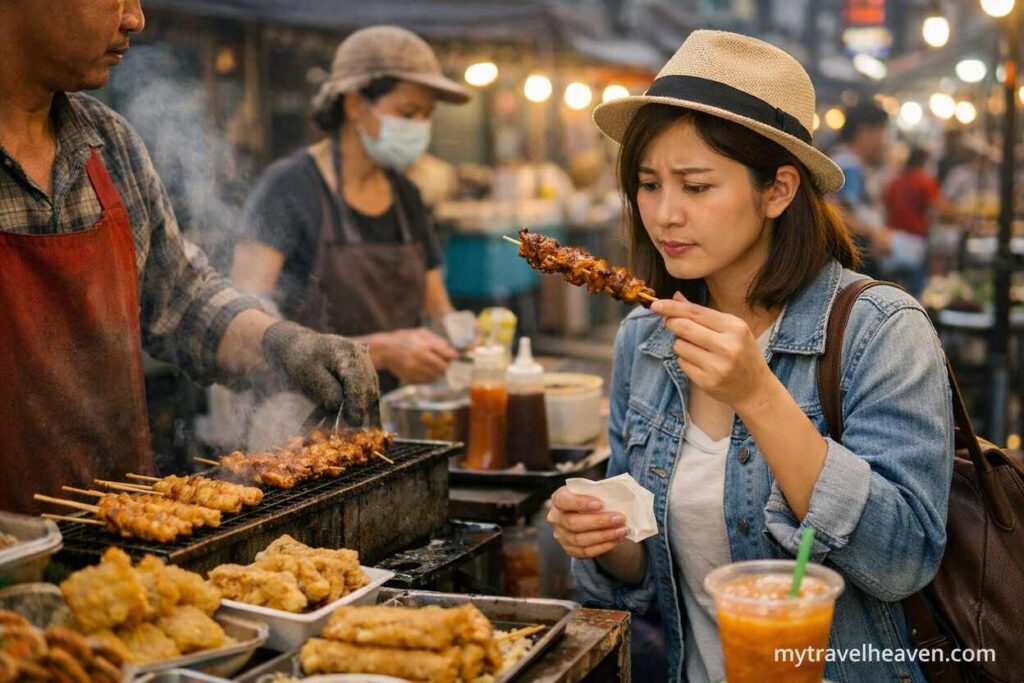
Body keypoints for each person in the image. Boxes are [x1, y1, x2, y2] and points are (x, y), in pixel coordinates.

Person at [546, 31, 953, 682]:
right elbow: (643, 581)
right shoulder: (642, 341)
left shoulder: (880, 331)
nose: (664, 214)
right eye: (649, 184)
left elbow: (902, 558)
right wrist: (605, 539)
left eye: (697, 186)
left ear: (779, 190)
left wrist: (759, 394)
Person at [0, 0, 377, 513]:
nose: (135, 19)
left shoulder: (109, 144)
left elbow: (182, 297)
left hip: (120, 531)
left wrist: (283, 344)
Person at [231, 26, 467, 399]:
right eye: (408, 112)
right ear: (355, 105)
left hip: (393, 414)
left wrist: (472, 339)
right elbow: (243, 332)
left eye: (427, 115)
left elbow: (441, 311)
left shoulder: (406, 196)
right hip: (304, 418)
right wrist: (382, 352)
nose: (420, 127)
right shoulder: (287, 188)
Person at [830, 101, 894, 276]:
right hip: (857, 254)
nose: (883, 140)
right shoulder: (849, 165)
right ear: (864, 131)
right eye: (881, 131)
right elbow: (837, 210)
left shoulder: (841, 159)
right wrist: (873, 233)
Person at [882, 146, 946, 297]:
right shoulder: (925, 181)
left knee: (891, 289)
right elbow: (937, 207)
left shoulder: (895, 182)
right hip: (914, 240)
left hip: (892, 240)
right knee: (915, 291)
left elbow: (886, 206)